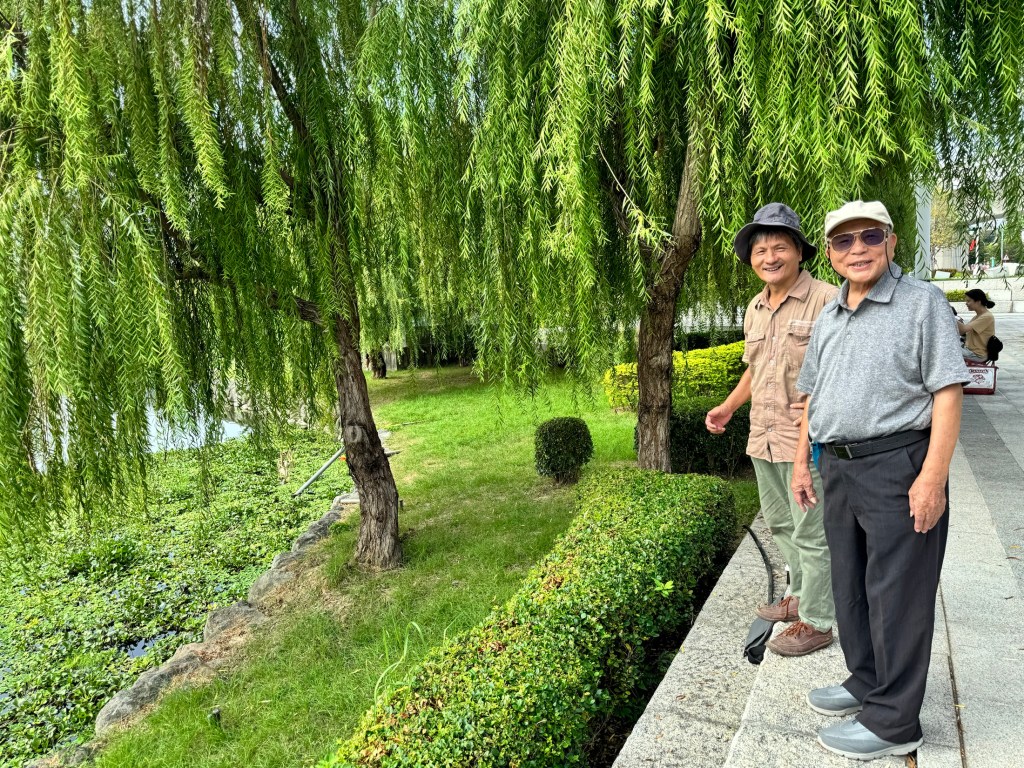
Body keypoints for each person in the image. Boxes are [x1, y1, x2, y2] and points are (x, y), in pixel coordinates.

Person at [791, 200, 969, 761]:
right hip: (838, 465)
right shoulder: (830, 314)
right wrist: (802, 461)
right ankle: (867, 681)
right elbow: (813, 394)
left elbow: (948, 391)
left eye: (870, 237)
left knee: (897, 593)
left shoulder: (921, 302)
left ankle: (895, 722)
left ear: (891, 241)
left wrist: (933, 477)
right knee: (851, 586)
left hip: (898, 463)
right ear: (830, 254)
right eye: (844, 241)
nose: (858, 249)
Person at [705, 202, 837, 657]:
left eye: (779, 247)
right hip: (762, 435)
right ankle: (799, 595)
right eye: (760, 250)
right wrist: (727, 407)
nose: (769, 257)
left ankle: (818, 621)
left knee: (812, 532)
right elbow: (755, 368)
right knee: (781, 524)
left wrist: (814, 429)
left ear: (800, 251)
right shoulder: (756, 307)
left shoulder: (827, 300)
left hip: (805, 441)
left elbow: (837, 375)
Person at [956, 288, 996, 362]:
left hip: (976, 354)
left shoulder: (987, 316)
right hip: (969, 351)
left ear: (978, 302)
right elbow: (962, 332)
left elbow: (963, 329)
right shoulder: (977, 317)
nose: (966, 303)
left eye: (968, 301)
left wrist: (950, 316)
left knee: (946, 351)